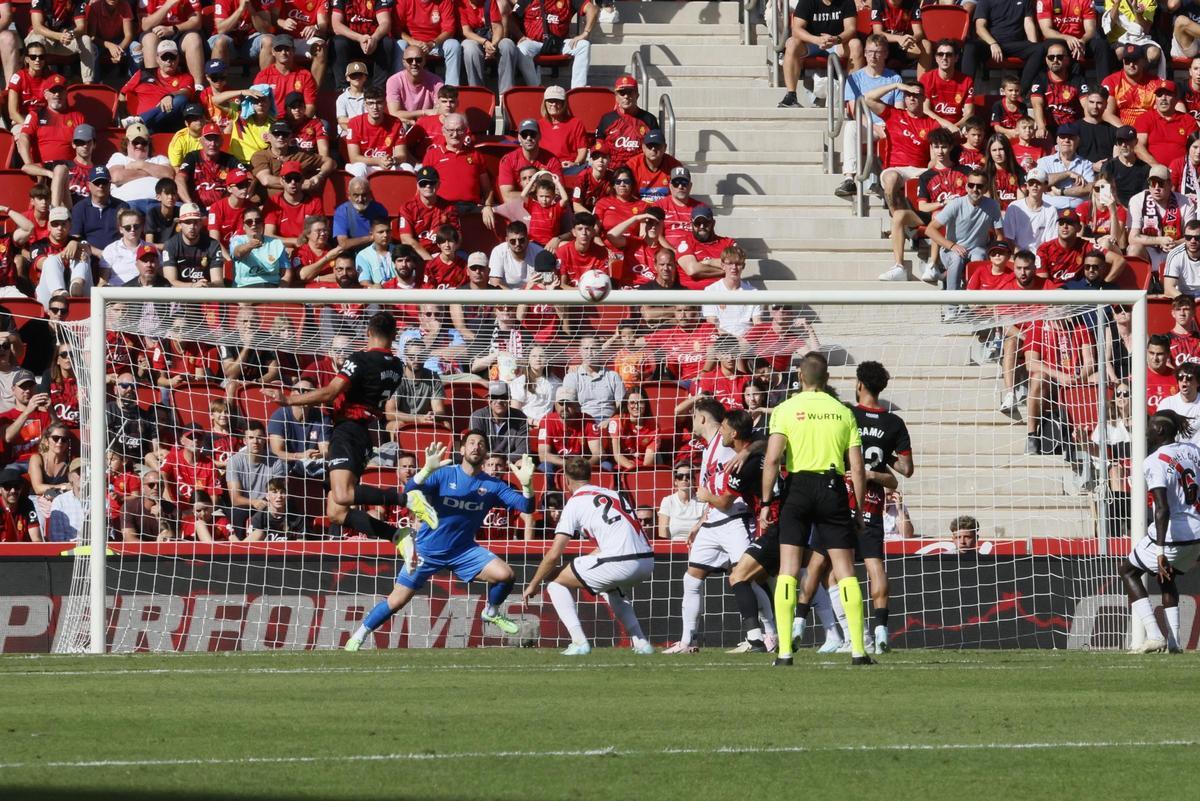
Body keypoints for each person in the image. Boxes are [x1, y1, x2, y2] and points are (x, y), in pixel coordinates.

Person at [344, 432, 536, 649]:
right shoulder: (444, 474)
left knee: (506, 575)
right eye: (471, 443)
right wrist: (426, 470)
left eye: (481, 444)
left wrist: (528, 486)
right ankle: (359, 635)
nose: (476, 447)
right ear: (461, 450)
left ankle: (491, 612)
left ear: (485, 452)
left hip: (463, 550)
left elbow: (527, 507)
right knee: (396, 601)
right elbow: (408, 491)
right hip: (426, 550)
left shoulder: (493, 485)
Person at [265, 311, 437, 543]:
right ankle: (396, 535)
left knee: (343, 494)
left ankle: (406, 499)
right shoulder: (397, 366)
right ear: (394, 335)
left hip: (348, 430)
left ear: (368, 332)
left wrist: (288, 399)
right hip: (364, 434)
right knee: (336, 513)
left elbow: (331, 392)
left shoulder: (360, 360)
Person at [797, 362, 912, 655]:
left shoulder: (846, 414)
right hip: (871, 504)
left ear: (859, 384)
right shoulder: (894, 423)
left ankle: (799, 622)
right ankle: (880, 629)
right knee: (874, 565)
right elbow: (905, 470)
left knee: (821, 565)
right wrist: (880, 463)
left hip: (836, 500)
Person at [762, 351, 869, 666]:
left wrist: (766, 502)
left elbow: (771, 460)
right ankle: (859, 651)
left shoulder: (784, 409)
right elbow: (858, 468)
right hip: (832, 488)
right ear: (827, 380)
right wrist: (859, 509)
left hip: (797, 488)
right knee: (845, 570)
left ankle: (783, 653)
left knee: (788, 570)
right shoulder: (842, 412)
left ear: (799, 378)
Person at [521, 456, 655, 655]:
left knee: (556, 583)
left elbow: (554, 554)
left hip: (619, 562)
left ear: (565, 481)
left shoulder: (574, 504)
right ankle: (642, 643)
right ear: (590, 476)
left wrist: (533, 584)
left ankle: (579, 642)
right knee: (611, 589)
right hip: (647, 561)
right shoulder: (615, 494)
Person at [663, 398, 765, 653]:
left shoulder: (729, 441)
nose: (691, 422)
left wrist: (747, 450)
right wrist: (700, 521)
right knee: (691, 579)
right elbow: (713, 488)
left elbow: (766, 440)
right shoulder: (709, 448)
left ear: (703, 419)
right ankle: (688, 642)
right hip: (712, 520)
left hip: (734, 519)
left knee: (747, 578)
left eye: (694, 416)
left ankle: (769, 635)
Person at [1120, 410, 1200, 653]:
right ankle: (1175, 643)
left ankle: (1155, 635)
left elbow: (1162, 509)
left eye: (1151, 425)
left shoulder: (1154, 460)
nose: (1147, 430)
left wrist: (1160, 550)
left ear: (1161, 430)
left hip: (1175, 533)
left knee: (1128, 571)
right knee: (1167, 578)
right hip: (1197, 533)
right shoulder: (1194, 451)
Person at [922, 170, 1003, 291]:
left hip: (977, 248)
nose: (975, 189)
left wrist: (995, 252)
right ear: (966, 186)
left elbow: (1000, 235)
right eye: (971, 185)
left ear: (986, 188)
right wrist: (952, 245)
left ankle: (974, 301)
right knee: (956, 258)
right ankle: (952, 306)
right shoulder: (956, 204)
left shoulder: (993, 205)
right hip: (951, 250)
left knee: (979, 256)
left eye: (979, 186)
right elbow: (930, 230)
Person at [778, 0, 862, 109]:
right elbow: (796, 29)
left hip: (837, 42)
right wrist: (816, 40)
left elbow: (851, 28)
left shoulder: (846, 1)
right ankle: (791, 95)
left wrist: (837, 39)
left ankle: (852, 98)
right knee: (791, 43)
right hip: (812, 43)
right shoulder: (807, 2)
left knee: (856, 44)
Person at [513, 0, 597, 90]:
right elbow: (510, 17)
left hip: (560, 43)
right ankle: (536, 88)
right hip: (534, 43)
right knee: (522, 48)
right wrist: (520, 35)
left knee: (584, 45)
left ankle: (578, 90)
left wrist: (586, 33)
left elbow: (593, 9)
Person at [962, 0, 1044, 93]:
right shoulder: (985, 1)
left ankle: (1022, 92)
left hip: (1015, 44)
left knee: (1039, 48)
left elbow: (1028, 22)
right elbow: (980, 27)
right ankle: (965, 93)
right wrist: (993, 43)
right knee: (970, 46)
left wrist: (1032, 45)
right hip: (991, 44)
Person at [594, 75, 659, 170]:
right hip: (612, 173)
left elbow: (656, 149)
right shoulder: (607, 119)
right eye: (622, 93)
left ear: (637, 95)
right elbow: (599, 148)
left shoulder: (649, 119)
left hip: (640, 171)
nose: (626, 96)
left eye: (630, 92)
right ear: (616, 96)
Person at [468, 381, 530, 464]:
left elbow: (523, 451)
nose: (499, 401)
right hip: (483, 463)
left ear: (509, 399)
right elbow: (475, 448)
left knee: (523, 462)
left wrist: (500, 460)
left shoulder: (520, 418)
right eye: (495, 397)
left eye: (503, 397)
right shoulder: (477, 416)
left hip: (509, 463)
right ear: (489, 400)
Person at [658, 466, 704, 540]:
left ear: (694, 480)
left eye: (688, 476)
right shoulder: (668, 501)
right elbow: (663, 532)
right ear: (675, 481)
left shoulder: (702, 501)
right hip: (674, 547)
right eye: (680, 476)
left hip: (697, 546)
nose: (684, 479)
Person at [46, 457, 82, 542]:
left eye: (88, 471)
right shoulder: (60, 501)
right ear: (70, 477)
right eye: (80, 472)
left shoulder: (102, 501)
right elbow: (57, 539)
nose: (85, 475)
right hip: (69, 552)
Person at [0, 467, 40, 542]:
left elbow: (36, 539)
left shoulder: (27, 504)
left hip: (24, 552)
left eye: (17, 486)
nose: (13, 491)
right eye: (7, 486)